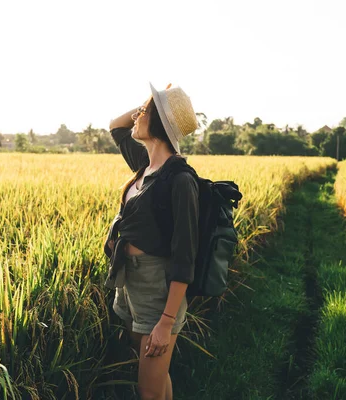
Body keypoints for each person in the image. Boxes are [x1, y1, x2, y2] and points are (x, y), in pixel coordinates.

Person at [103, 83, 200, 400]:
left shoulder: (180, 180)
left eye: (143, 112)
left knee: (147, 391)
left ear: (158, 123)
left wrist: (166, 321)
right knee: (155, 380)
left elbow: (185, 256)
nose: (136, 116)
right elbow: (115, 125)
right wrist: (152, 106)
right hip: (130, 281)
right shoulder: (145, 166)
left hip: (158, 288)